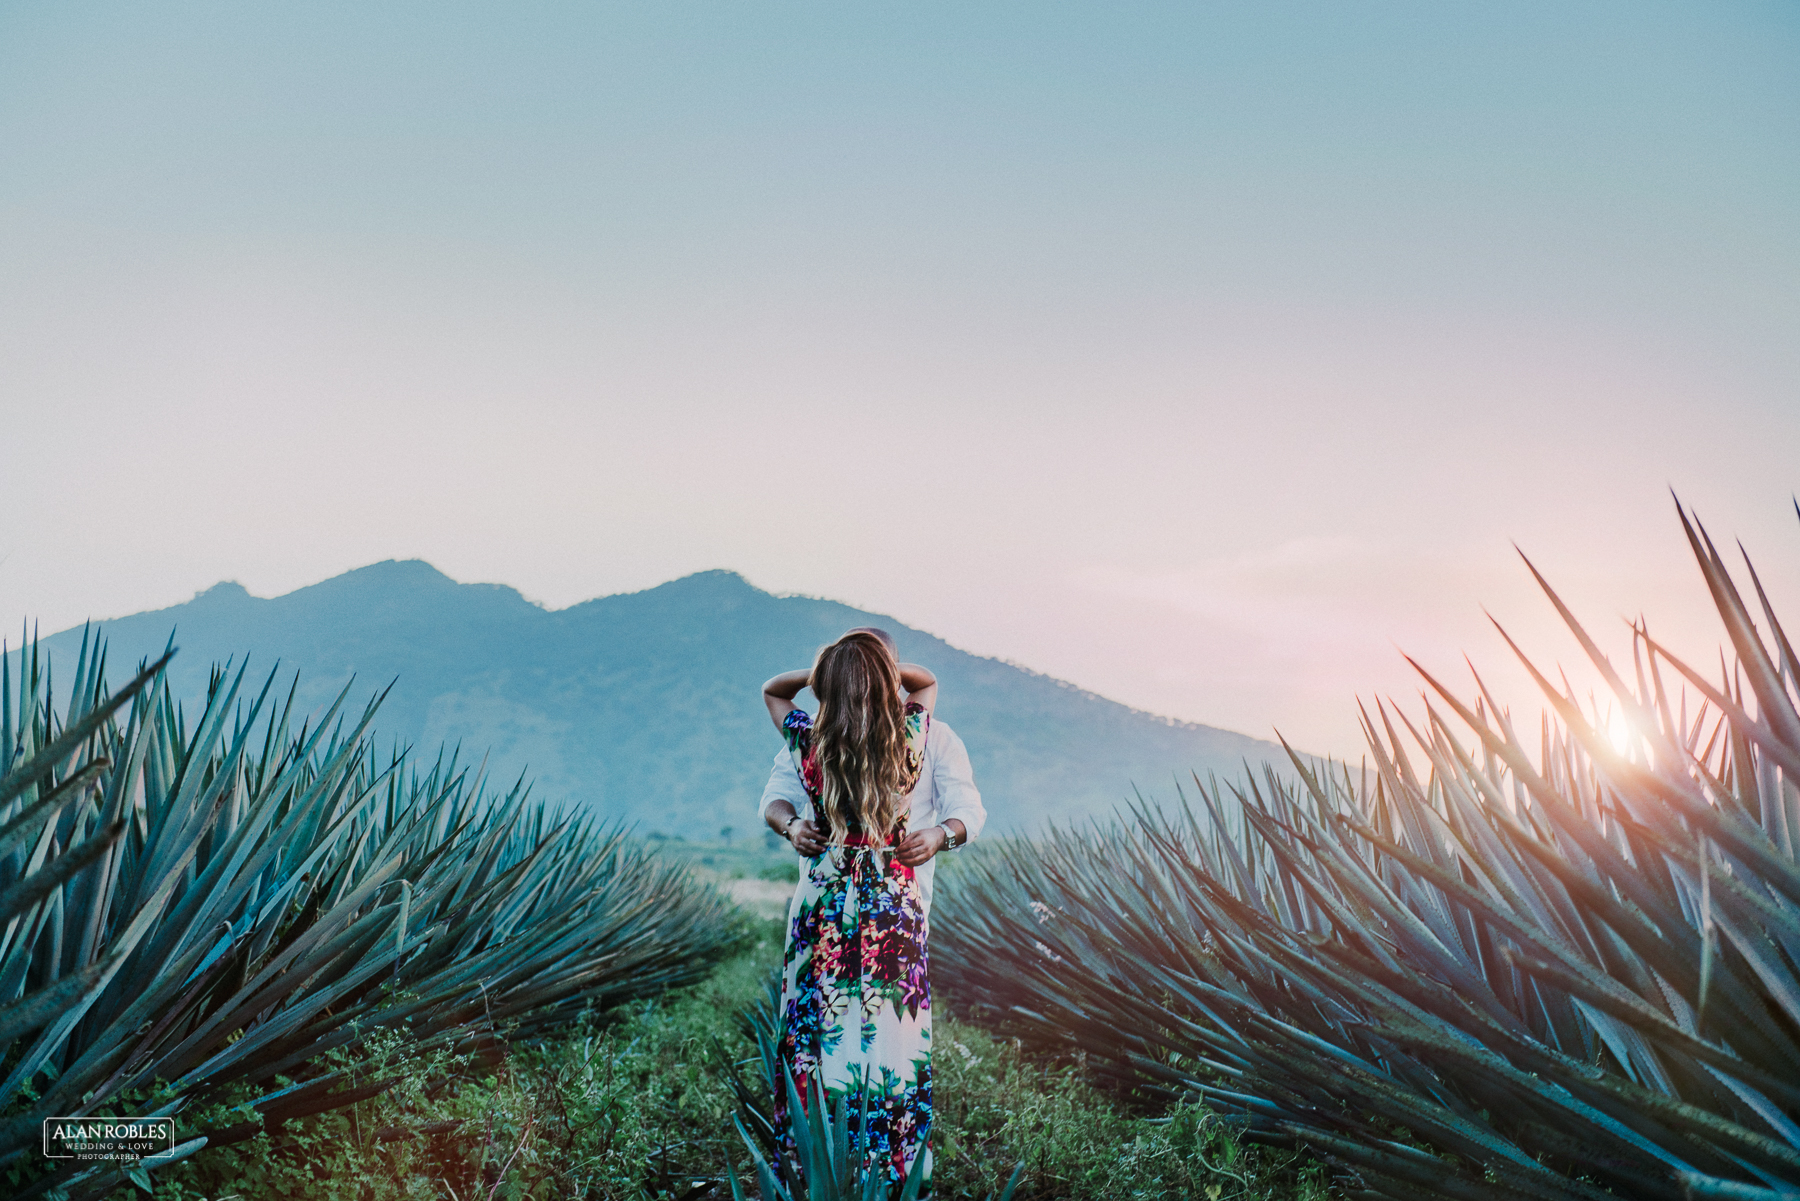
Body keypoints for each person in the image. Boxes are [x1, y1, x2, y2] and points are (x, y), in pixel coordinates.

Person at [758, 627, 986, 1196]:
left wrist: (828, 673)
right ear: (892, 675)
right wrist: (790, 825)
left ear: (828, 683)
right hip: (893, 904)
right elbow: (927, 681)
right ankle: (891, 1170)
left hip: (826, 904)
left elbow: (772, 691)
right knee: (893, 1037)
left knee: (817, 1031)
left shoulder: (813, 740)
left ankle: (814, 1167)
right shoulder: (913, 734)